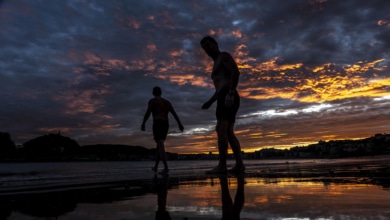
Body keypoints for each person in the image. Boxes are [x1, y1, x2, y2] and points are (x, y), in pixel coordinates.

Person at [200, 36, 245, 173]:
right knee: (228, 132)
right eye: (204, 47)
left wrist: (230, 93)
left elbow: (235, 73)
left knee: (221, 129)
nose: (207, 49)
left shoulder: (223, 56)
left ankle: (222, 165)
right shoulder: (216, 64)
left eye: (209, 45)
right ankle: (239, 164)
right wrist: (210, 101)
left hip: (228, 95)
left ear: (215, 45)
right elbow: (219, 89)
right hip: (223, 96)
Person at [141, 86, 184, 173]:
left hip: (157, 123)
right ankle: (156, 167)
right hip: (165, 124)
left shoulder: (153, 101)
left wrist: (143, 123)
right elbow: (174, 113)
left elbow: (148, 112)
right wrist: (180, 124)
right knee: (159, 145)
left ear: (153, 93)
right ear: (161, 93)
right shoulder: (167, 102)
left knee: (160, 144)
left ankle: (166, 167)